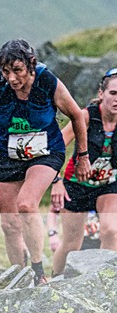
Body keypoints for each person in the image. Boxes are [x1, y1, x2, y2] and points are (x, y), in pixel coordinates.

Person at [0, 39, 90, 285]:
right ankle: (19, 276)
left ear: (31, 65)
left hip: (46, 152)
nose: (12, 78)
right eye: (6, 71)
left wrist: (82, 156)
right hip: (9, 155)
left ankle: (39, 273)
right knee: (9, 224)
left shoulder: (48, 82)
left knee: (26, 205)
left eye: (17, 70)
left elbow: (78, 116)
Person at [51, 67, 117, 275]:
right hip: (76, 185)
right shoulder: (85, 117)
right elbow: (56, 147)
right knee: (71, 244)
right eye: (113, 93)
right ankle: (53, 282)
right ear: (101, 94)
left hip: (108, 185)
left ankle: (103, 283)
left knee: (111, 231)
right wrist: (56, 181)